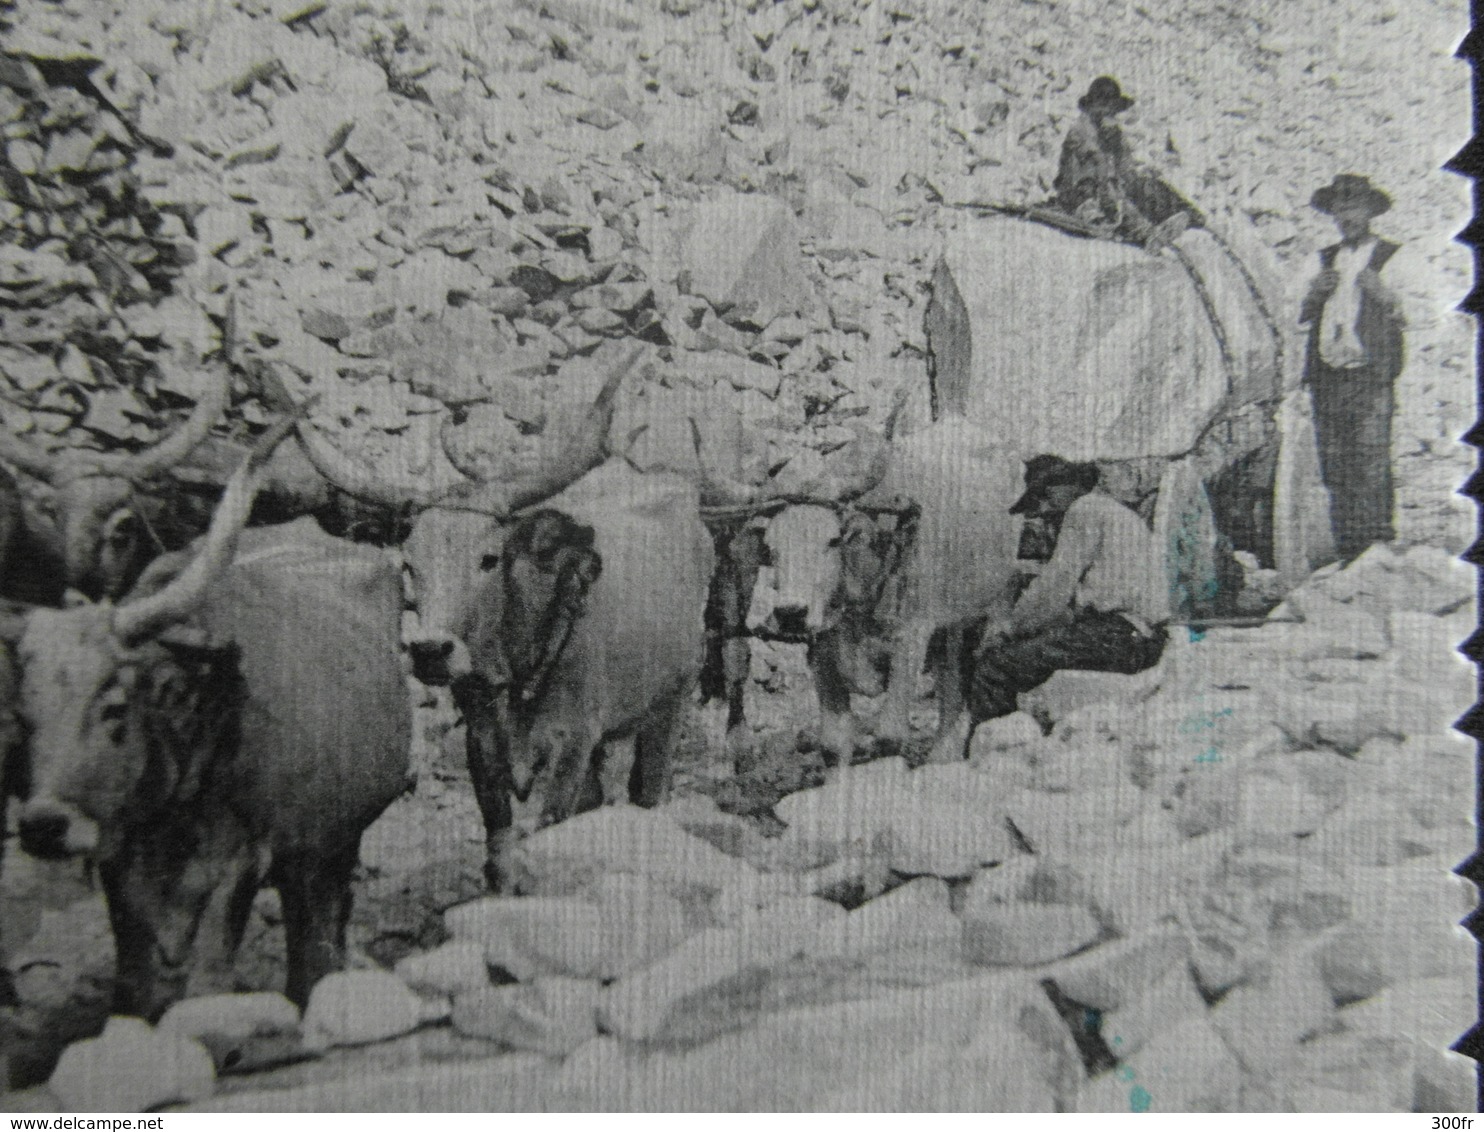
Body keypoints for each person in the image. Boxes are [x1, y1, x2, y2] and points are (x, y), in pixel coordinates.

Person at [967, 455, 1170, 723]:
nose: (1042, 508)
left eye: (1045, 495)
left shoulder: (1084, 509)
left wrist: (1008, 628)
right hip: (1144, 635)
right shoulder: (1116, 513)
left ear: (1067, 485)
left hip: (1117, 635)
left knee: (996, 667)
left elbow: (1054, 586)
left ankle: (994, 753)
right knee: (1033, 653)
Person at [1298, 174, 1406, 563]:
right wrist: (1314, 294)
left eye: (1355, 207)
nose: (1347, 216)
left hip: (1370, 376)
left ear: (1371, 212)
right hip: (1328, 378)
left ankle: (1377, 545)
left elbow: (1421, 311)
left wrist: (1386, 295)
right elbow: (1293, 313)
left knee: (1371, 459)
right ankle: (1349, 549)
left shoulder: (1393, 257)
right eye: (1340, 208)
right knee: (1335, 463)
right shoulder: (1321, 260)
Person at [1053, 76, 1191, 249]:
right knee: (1111, 194)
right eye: (1105, 107)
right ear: (1093, 106)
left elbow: (1126, 169)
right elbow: (1097, 165)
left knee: (1146, 185)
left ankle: (1184, 215)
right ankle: (1145, 233)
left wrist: (1140, 186)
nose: (1109, 112)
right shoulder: (1080, 131)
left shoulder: (1112, 131)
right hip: (1080, 192)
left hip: (1106, 187)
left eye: (1112, 108)